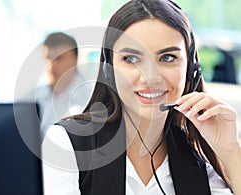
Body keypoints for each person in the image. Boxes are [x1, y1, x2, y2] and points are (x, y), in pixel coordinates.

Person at [41, 0, 241, 194]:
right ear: (109, 69)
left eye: (167, 58)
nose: (150, 77)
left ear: (191, 69)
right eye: (131, 59)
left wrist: (230, 150)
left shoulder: (202, 159)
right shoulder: (66, 144)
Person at [36, 32, 93, 137]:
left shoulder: (91, 99)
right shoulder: (35, 97)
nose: (52, 66)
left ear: (75, 59)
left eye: (59, 59)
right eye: (48, 58)